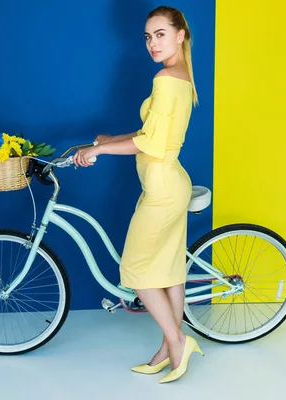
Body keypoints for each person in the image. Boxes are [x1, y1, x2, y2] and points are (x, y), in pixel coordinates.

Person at [73, 6, 202, 383]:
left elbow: (151, 142)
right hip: (168, 182)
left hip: (162, 189)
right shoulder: (180, 77)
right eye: (148, 36)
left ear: (180, 35)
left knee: (137, 272)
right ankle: (168, 348)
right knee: (168, 271)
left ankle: (178, 342)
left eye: (160, 34)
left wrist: (98, 151)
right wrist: (110, 139)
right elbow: (152, 134)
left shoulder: (166, 79)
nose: (152, 43)